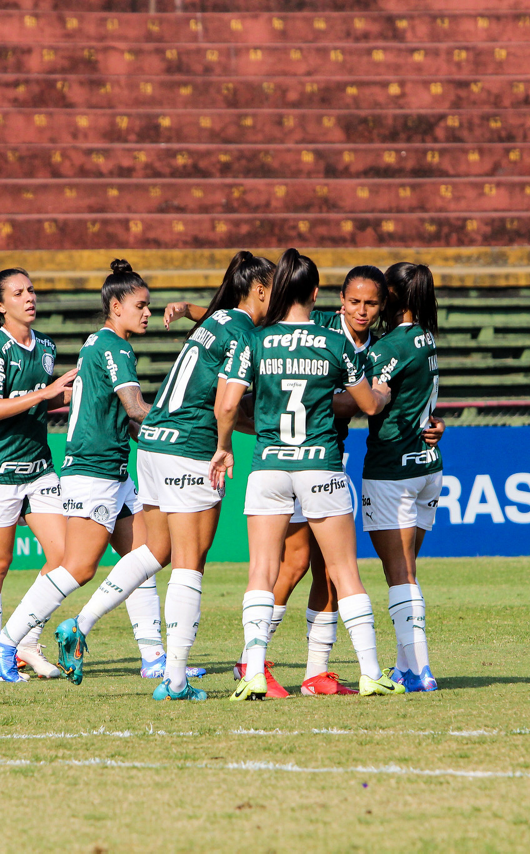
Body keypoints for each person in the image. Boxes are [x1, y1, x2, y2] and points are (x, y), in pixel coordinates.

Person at [67, 251, 276, 701]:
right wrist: (224, 446)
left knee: (155, 550)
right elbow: (225, 405)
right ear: (260, 290)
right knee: (189, 560)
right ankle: (176, 679)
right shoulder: (243, 333)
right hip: (189, 447)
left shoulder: (217, 321)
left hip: (153, 443)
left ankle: (80, 622)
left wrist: (185, 309)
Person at [211, 248, 406, 699]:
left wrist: (224, 447)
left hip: (268, 466)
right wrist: (382, 392)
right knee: (343, 571)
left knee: (262, 570)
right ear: (317, 293)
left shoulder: (254, 340)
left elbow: (227, 404)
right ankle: (370, 672)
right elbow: (367, 404)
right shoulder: (334, 341)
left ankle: (253, 670)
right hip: (321, 464)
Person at [0, 260, 168, 684]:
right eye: (141, 306)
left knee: (143, 556)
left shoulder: (96, 343)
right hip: (92, 471)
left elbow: (123, 417)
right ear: (116, 307)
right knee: (79, 568)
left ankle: (154, 657)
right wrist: (184, 425)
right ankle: (4, 642)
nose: (147, 313)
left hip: (113, 471)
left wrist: (160, 438)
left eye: (149, 306)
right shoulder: (115, 347)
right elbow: (135, 407)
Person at [0, 268, 76, 681]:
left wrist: (72, 394)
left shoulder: (45, 345)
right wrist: (46, 393)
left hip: (39, 468)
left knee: (64, 557)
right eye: (18, 293)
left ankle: (25, 641)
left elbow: (41, 401)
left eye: (31, 289)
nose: (29, 297)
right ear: (0, 305)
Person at [364, 262, 444, 693]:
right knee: (408, 571)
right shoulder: (427, 338)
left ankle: (420, 670)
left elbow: (369, 399)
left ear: (392, 296)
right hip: (427, 466)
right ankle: (404, 666)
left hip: (393, 468)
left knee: (401, 574)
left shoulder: (389, 347)